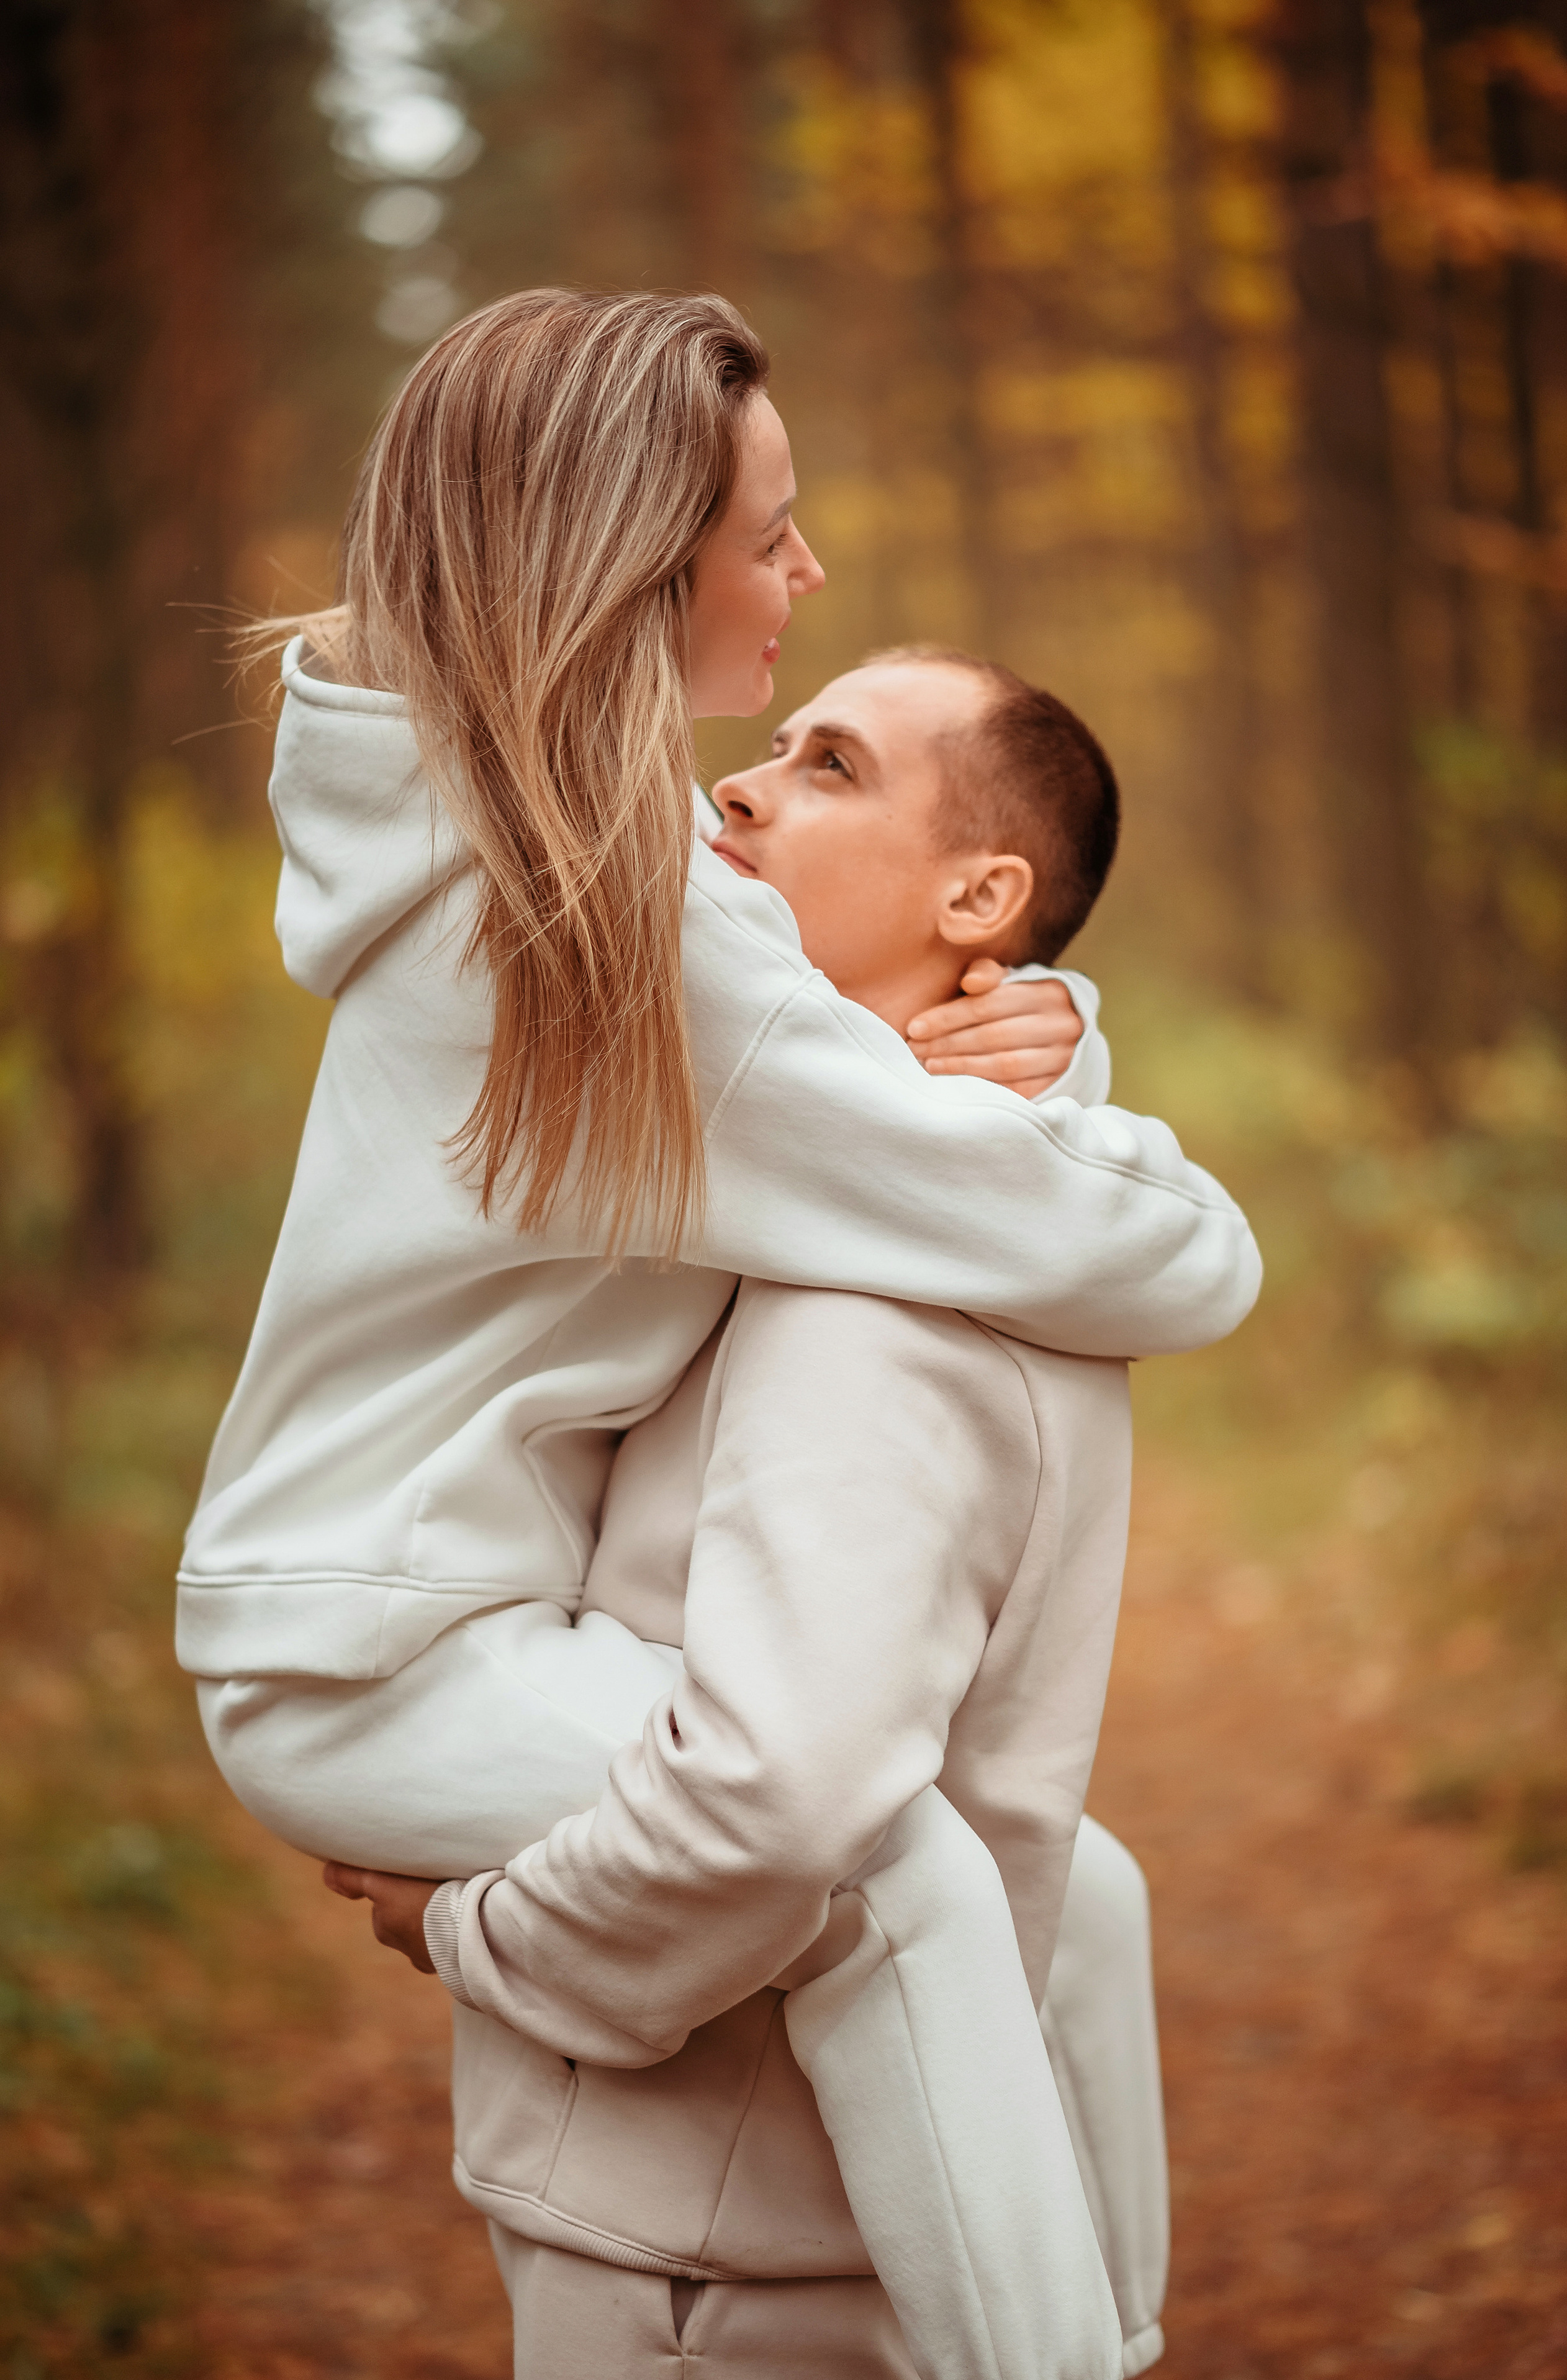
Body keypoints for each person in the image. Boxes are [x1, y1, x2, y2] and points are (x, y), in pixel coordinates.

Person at [180, 289, 1253, 2366]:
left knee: (1078, 1894)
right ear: (633, 553)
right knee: (891, 1873)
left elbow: (873, 1034)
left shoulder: (542, 849)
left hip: (389, 1602)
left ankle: (1106, 2326)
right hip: (379, 1644)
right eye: (770, 531)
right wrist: (1092, 1100)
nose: (806, 568)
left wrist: (1045, 1012)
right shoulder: (618, 937)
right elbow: (1132, 1251)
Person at [325, 646, 1176, 2380]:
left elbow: (787, 1798)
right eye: (778, 742)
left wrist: (476, 1924)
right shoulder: (987, 1214)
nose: (743, 781)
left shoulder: (864, 1305)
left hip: (705, 2268)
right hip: (800, 2216)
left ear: (982, 893)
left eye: (833, 765)